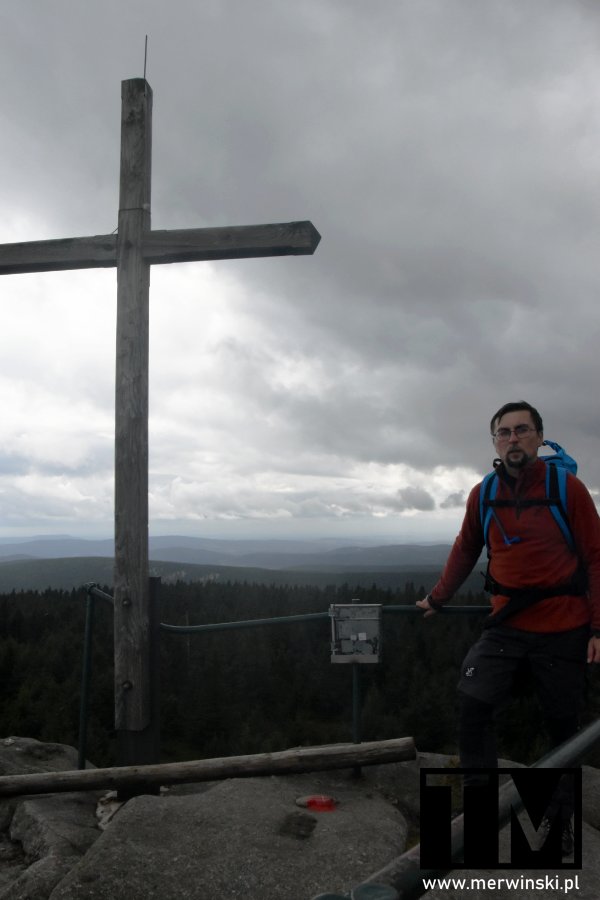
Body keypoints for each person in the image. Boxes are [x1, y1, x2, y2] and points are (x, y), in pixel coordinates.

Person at [416, 401, 600, 853]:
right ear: (495, 442)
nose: (513, 438)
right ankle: (479, 812)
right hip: (506, 626)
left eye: (522, 430)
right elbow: (465, 549)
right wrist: (438, 597)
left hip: (564, 627)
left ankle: (559, 825)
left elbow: (597, 558)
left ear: (539, 437)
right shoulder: (485, 493)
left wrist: (598, 628)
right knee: (473, 702)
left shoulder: (568, 489)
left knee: (562, 726)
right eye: (504, 432)